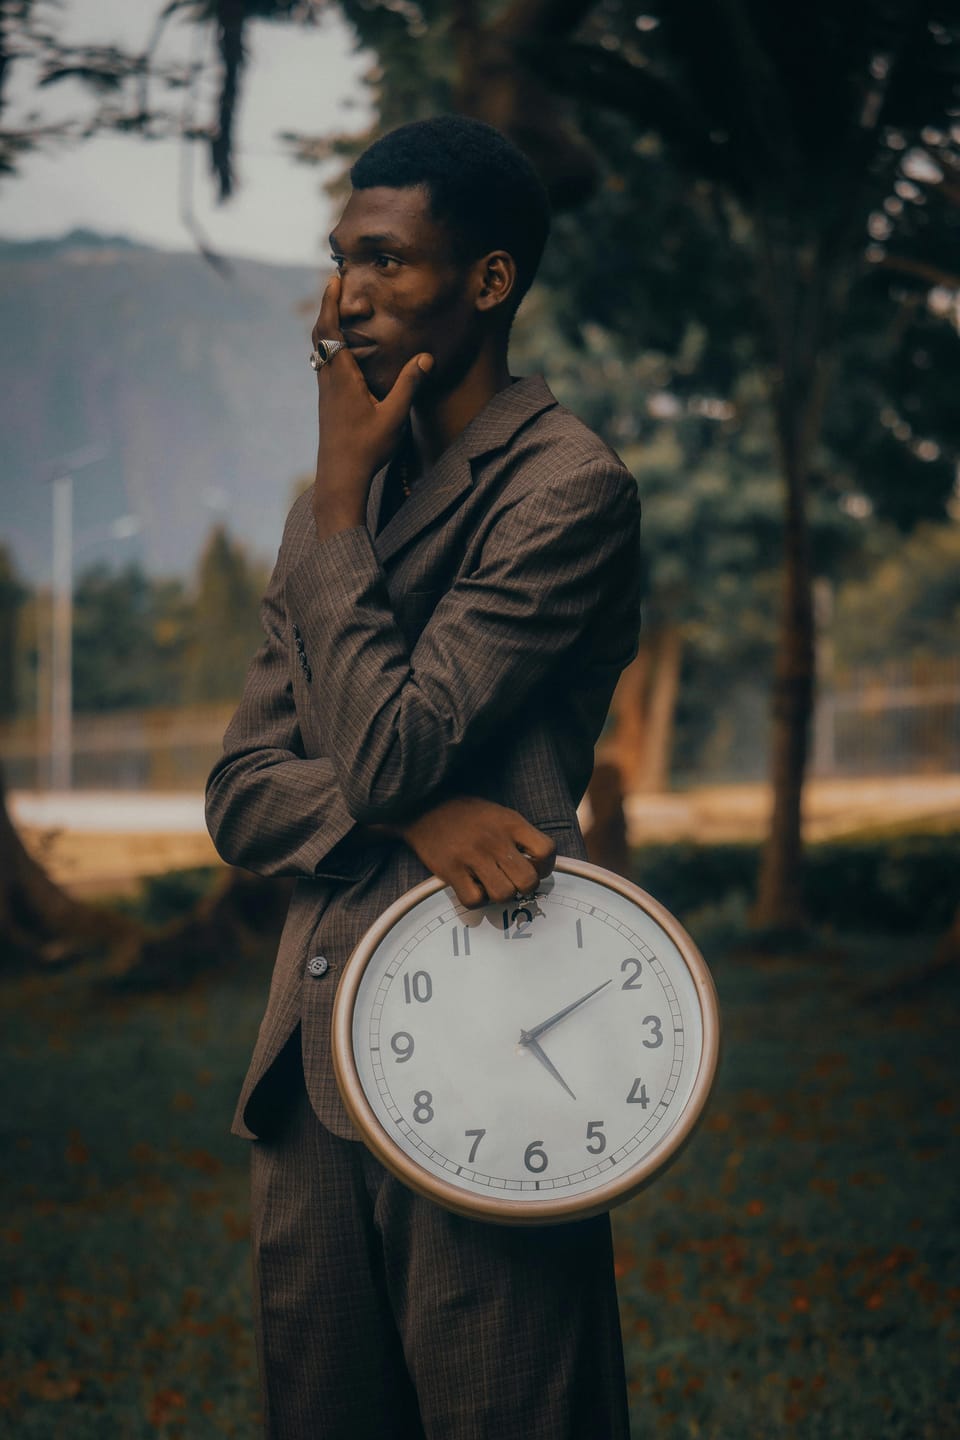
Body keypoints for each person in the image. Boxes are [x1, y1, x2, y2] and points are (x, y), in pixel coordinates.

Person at [205, 114, 641, 1440]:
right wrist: (426, 811)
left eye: (388, 263)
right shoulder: (336, 497)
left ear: (489, 282)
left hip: (497, 1048)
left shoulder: (566, 490)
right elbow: (239, 791)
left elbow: (382, 742)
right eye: (342, 261)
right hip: (309, 1072)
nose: (347, 302)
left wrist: (339, 513)